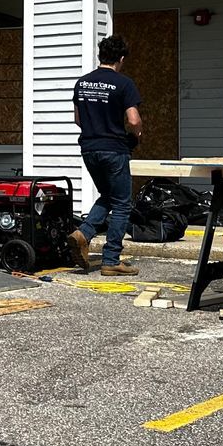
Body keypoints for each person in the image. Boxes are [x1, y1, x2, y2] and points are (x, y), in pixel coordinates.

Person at [68, 34, 143, 276]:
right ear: (121, 59)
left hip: (89, 149)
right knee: (122, 204)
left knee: (108, 195)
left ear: (100, 55)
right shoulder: (123, 83)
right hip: (114, 150)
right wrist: (137, 134)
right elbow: (133, 119)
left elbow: (77, 119)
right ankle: (111, 260)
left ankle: (84, 233)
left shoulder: (82, 83)